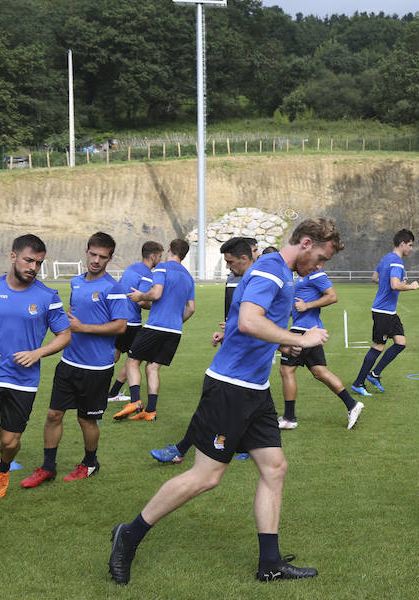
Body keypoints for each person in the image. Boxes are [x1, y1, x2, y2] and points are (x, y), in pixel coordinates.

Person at [108, 217, 343, 585]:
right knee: (206, 477)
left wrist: (283, 341)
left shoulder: (276, 271)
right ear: (307, 242)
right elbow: (250, 321)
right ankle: (130, 534)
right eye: (321, 258)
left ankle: (270, 562)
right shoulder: (272, 270)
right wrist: (304, 338)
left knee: (274, 467)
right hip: (231, 388)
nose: (320, 267)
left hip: (254, 389)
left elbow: (242, 324)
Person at [20, 233, 130, 488]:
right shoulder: (77, 282)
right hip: (69, 362)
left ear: (110, 258)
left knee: (86, 419)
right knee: (53, 414)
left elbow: (121, 326)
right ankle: (48, 467)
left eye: (103, 257)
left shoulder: (113, 288)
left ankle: (90, 463)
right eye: (93, 254)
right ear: (87, 251)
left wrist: (83, 328)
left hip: (97, 368)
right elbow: (75, 315)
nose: (96, 260)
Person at [150, 238, 255, 465]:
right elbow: (245, 319)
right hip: (240, 359)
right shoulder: (243, 280)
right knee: (233, 405)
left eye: (229, 262)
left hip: (243, 360)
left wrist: (289, 341)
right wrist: (227, 334)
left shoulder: (257, 282)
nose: (227, 267)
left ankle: (182, 450)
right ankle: (245, 445)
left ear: (245, 258)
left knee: (214, 403)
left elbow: (260, 321)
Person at [0, 234, 71, 499]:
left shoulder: (48, 296)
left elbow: (65, 335)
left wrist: (39, 352)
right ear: (13, 257)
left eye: (38, 263)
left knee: (9, 442)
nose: (33, 267)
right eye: (28, 260)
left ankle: (3, 467)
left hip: (22, 383)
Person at [113, 239, 195, 422]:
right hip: (175, 331)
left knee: (133, 361)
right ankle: (150, 411)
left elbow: (156, 293)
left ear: (168, 250)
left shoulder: (162, 268)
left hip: (155, 327)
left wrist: (141, 295)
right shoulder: (189, 277)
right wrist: (176, 321)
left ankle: (134, 401)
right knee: (153, 368)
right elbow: (191, 308)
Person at [278, 269, 364, 430]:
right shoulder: (304, 276)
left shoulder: (316, 274)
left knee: (286, 370)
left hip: (303, 331)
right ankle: (352, 404)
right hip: (310, 330)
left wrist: (306, 306)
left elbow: (332, 296)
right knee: (320, 372)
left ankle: (289, 418)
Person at [349, 229, 418, 396]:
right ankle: (358, 382)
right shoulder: (397, 262)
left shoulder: (386, 258)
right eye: (410, 245)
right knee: (378, 347)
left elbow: (375, 277)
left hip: (389, 312)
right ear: (402, 244)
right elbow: (394, 285)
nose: (411, 249)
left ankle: (374, 374)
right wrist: (410, 286)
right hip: (383, 312)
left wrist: (395, 283)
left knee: (400, 343)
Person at [107, 241, 164, 402]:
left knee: (115, 356)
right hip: (131, 323)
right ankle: (111, 393)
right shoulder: (147, 274)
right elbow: (141, 300)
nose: (160, 259)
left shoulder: (131, 268)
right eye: (159, 256)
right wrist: (158, 308)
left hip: (118, 318)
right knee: (134, 359)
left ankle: (100, 387)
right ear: (153, 256)